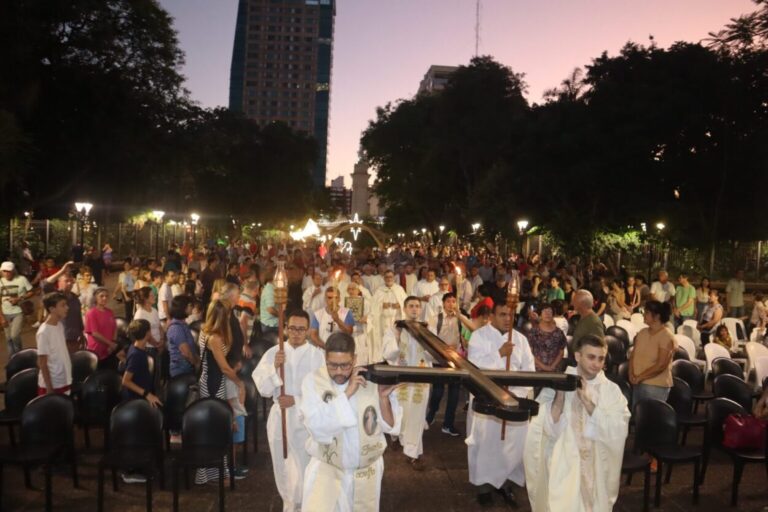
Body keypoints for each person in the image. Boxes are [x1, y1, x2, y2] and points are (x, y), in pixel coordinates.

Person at [524, 334, 630, 512]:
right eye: (591, 357)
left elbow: (619, 428)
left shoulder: (611, 390)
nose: (596, 364)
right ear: (578, 356)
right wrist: (559, 398)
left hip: (595, 463)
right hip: (564, 460)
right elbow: (542, 427)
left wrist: (589, 404)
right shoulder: (559, 382)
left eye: (601, 358)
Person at [300, 332, 401, 512]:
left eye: (345, 365)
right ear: (325, 358)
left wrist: (384, 399)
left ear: (354, 359)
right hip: (327, 470)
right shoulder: (313, 382)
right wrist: (347, 394)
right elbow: (316, 427)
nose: (339, 371)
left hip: (365, 472)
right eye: (333, 365)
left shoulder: (371, 379)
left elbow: (390, 426)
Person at [252, 309, 326, 512]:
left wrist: (297, 399)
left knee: (305, 465)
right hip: (280, 417)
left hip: (306, 418)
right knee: (283, 465)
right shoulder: (274, 353)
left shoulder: (317, 357)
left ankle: (306, 505)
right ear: (285, 328)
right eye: (292, 328)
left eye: (301, 329)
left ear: (308, 331)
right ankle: (289, 503)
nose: (296, 333)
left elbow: (325, 393)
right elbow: (264, 389)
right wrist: (274, 367)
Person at [466, 302, 535, 506]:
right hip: (487, 400)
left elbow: (528, 370)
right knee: (486, 444)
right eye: (502, 314)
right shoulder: (479, 336)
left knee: (511, 447)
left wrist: (516, 394)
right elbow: (474, 368)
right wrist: (500, 354)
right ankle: (483, 487)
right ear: (492, 316)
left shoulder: (520, 340)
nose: (507, 319)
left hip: (513, 400)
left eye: (511, 315)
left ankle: (506, 485)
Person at [196, 300, 244, 484]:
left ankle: (215, 473)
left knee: (213, 427)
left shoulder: (205, 330)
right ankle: (217, 474)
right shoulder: (214, 338)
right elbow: (223, 368)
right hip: (214, 383)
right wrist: (239, 383)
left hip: (212, 381)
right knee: (217, 428)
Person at [381, 296, 433, 469]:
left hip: (420, 380)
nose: (414, 309)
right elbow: (389, 355)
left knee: (417, 416)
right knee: (400, 412)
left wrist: (427, 342)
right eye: (411, 306)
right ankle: (396, 437)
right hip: (401, 379)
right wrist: (396, 337)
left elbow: (434, 356)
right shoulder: (394, 329)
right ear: (404, 308)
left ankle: (413, 453)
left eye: (417, 306)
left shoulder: (427, 329)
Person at [119, 318, 163, 485]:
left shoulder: (136, 349)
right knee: (136, 435)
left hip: (138, 399)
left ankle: (139, 466)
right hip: (134, 400)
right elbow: (126, 381)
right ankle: (131, 470)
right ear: (146, 334)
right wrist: (146, 394)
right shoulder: (137, 354)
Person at [426, 292, 463, 436]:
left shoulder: (460, 319)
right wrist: (444, 348)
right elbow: (432, 339)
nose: (451, 304)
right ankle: (432, 413)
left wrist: (458, 348)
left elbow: (465, 337)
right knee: (438, 391)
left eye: (454, 301)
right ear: (443, 303)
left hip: (455, 360)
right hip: (439, 359)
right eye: (448, 301)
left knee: (454, 393)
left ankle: (448, 424)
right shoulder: (436, 319)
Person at [629, 300, 676, 404]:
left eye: (646, 313)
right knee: (637, 416)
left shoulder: (666, 336)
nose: (643, 315)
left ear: (657, 316)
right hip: (637, 382)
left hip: (656, 386)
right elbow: (633, 355)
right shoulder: (642, 332)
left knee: (650, 418)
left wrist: (640, 377)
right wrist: (631, 374)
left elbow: (661, 365)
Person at [36, 292, 73, 395]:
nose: (67, 307)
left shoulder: (59, 325)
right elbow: (42, 363)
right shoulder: (44, 332)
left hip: (63, 379)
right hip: (53, 384)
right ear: (52, 309)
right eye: (63, 305)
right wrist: (49, 388)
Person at [369, 270, 407, 363]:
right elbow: (373, 305)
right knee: (383, 340)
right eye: (387, 277)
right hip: (383, 321)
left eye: (390, 277)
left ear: (394, 278)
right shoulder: (379, 290)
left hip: (396, 320)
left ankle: (396, 361)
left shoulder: (399, 289)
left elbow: (406, 303)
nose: (389, 279)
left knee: (396, 341)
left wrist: (400, 305)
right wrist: (381, 305)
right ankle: (383, 360)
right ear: (384, 278)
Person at [1, 261, 35, 355]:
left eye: (9, 271)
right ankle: (13, 358)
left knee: (14, 335)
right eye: (4, 271)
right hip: (5, 312)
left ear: (13, 271)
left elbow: (32, 291)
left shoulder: (21, 279)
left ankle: (20, 355)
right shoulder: (0, 282)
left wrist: (19, 298)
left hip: (18, 311)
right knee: (8, 338)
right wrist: (1, 317)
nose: (7, 273)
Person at [84, 287, 119, 370]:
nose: (104, 298)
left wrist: (113, 343)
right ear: (96, 298)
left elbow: (115, 328)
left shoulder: (110, 312)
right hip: (97, 350)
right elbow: (95, 333)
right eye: (101, 296)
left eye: (106, 296)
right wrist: (110, 344)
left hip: (109, 349)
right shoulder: (91, 313)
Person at [528, 303, 567, 372]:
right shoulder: (533, 332)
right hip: (536, 369)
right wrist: (544, 367)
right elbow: (529, 352)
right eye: (544, 311)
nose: (547, 314)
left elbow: (561, 352)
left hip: (554, 369)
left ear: (553, 314)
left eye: (550, 311)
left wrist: (552, 366)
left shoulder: (559, 332)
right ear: (540, 314)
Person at [167, 295, 199, 378]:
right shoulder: (176, 328)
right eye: (190, 305)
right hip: (181, 370)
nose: (192, 308)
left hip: (186, 367)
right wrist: (196, 363)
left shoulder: (182, 324)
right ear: (183, 307)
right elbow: (186, 352)